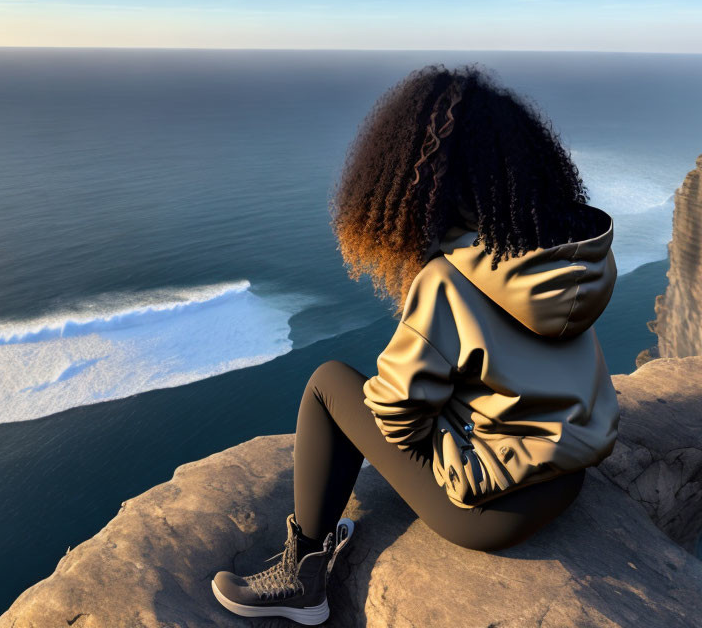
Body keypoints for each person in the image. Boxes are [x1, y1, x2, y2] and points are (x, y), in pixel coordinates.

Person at [211, 63, 620, 624]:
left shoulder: (450, 280)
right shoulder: (567, 256)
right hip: (563, 482)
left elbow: (398, 414)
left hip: (491, 511)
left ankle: (303, 579)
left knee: (329, 383)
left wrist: (437, 428)